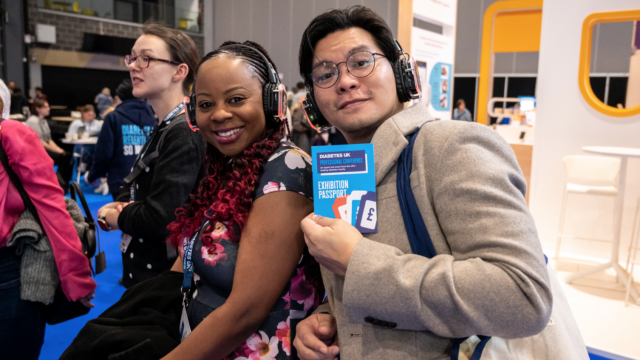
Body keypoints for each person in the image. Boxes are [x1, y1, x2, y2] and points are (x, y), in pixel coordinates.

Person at [293, 6, 586, 360]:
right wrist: (330, 316)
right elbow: (366, 287)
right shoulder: (342, 170)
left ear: (402, 71)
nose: (345, 81)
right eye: (325, 74)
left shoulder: (452, 146)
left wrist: (359, 262)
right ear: (313, 101)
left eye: (361, 62)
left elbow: (523, 296)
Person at [163, 40, 322, 360]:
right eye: (206, 105)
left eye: (236, 99)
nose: (219, 114)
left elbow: (245, 311)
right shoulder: (230, 165)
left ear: (271, 101)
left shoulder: (288, 171)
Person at [97, 23, 206, 288]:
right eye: (132, 57)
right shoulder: (168, 125)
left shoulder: (184, 130)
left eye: (146, 58)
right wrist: (122, 204)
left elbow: (160, 219)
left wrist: (114, 217)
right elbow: (141, 186)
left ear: (180, 71)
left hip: (163, 282)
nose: (134, 65)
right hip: (149, 275)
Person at [1, 98, 96, 360]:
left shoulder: (10, 133)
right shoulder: (11, 132)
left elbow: (50, 207)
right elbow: (51, 208)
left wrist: (76, 277)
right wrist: (77, 278)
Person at [87, 79, 156, 201]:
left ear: (119, 98)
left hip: (121, 182)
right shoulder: (153, 118)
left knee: (123, 218)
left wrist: (93, 175)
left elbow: (104, 153)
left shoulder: (113, 117)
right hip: (149, 181)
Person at [25, 99, 74, 192]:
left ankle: (64, 183)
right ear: (38, 109)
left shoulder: (43, 120)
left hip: (43, 148)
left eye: (48, 106)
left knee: (67, 155)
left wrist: (58, 148)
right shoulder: (33, 121)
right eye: (45, 107)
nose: (48, 109)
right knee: (64, 157)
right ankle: (61, 184)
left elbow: (49, 139)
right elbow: (40, 142)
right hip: (36, 150)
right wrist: (56, 150)